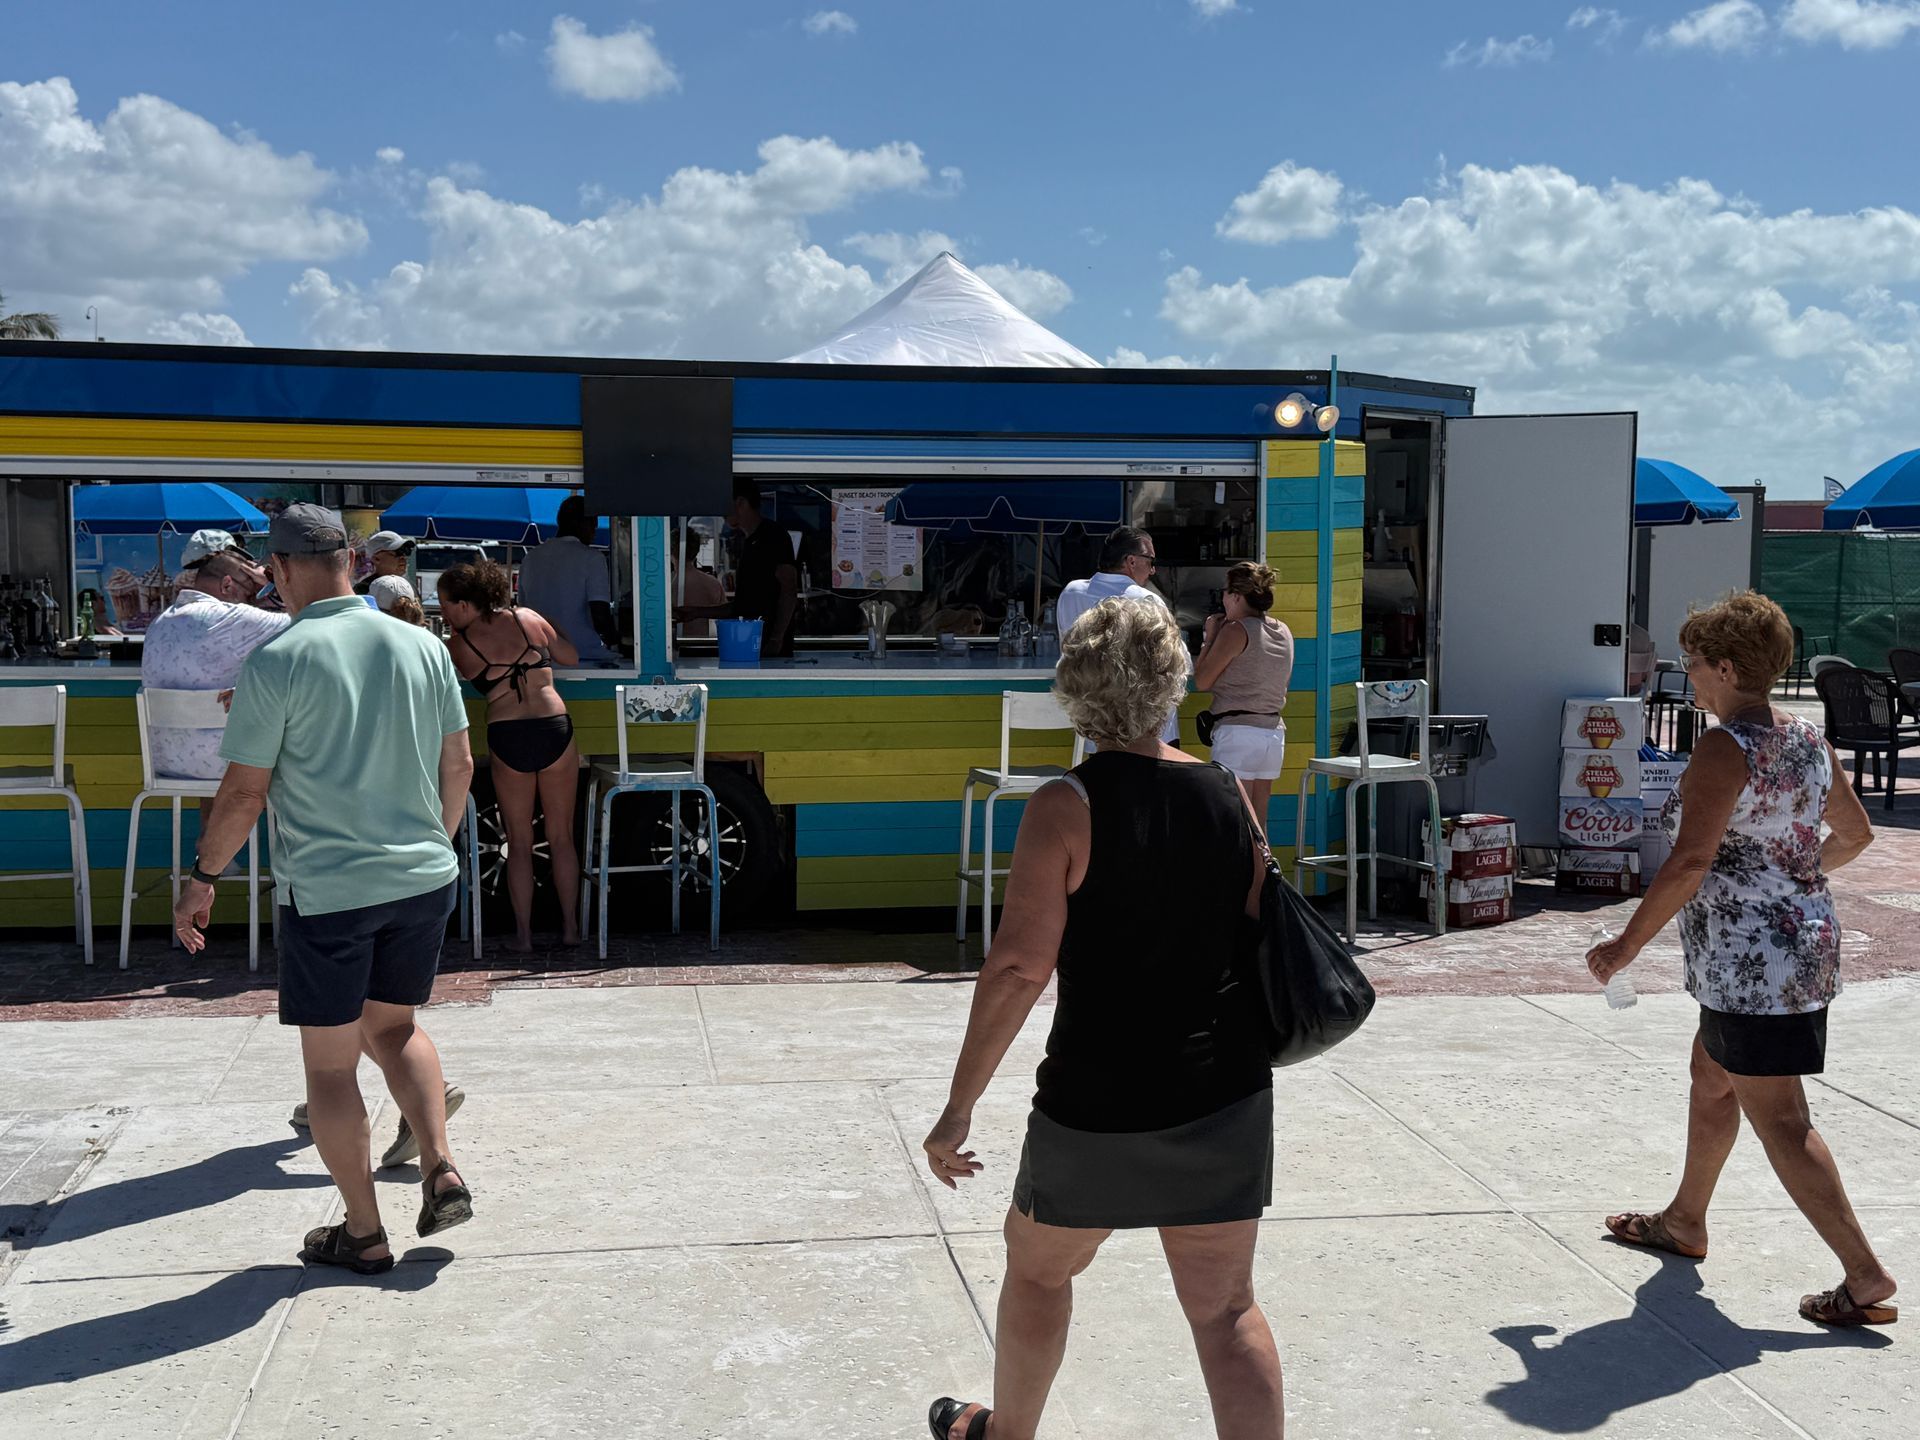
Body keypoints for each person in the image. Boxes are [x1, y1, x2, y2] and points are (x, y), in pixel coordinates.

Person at [923, 597, 1282, 1440]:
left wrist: (958, 1108)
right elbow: (1254, 932)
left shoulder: (1064, 806)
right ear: (1171, 680)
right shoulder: (1229, 794)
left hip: (1098, 1100)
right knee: (1226, 1310)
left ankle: (1006, 1435)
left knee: (1041, 1272)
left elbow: (1017, 969)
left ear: (1075, 687)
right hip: (1223, 1093)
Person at [174, 503, 474, 1276]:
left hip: (330, 892)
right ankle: (441, 1163)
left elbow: (243, 795)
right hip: (422, 876)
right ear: (351, 559)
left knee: (332, 1069)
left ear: (276, 572)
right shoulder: (420, 644)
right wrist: (431, 846)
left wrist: (202, 880)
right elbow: (460, 767)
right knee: (397, 1029)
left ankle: (364, 1234)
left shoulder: (277, 661)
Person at [1587, 591, 1897, 1329]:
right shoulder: (1807, 742)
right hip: (1795, 952)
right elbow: (1854, 837)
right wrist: (1790, 882)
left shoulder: (1726, 748)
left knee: (1782, 1118)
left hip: (1751, 967)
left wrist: (1623, 948)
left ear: (1726, 668)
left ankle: (1864, 1275)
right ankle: (1686, 1218)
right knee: (1710, 1073)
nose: (1687, 676)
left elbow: (1691, 860)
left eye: (1693, 664)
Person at [438, 560, 583, 952]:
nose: (444, 612)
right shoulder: (528, 619)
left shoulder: (459, 646)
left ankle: (523, 936)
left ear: (466, 605)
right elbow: (571, 656)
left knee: (518, 841)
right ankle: (570, 928)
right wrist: (549, 626)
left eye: (447, 604)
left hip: (508, 733)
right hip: (554, 726)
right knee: (561, 836)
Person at [140, 549, 289, 781]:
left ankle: (213, 819)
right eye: (252, 595)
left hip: (166, 762)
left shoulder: (160, 621)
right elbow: (310, 622)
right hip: (225, 764)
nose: (256, 602)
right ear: (227, 585)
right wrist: (275, 585)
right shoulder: (233, 618)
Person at [1054, 525, 1183, 747]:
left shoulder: (1071, 593)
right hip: (1145, 729)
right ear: (1131, 561)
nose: (1152, 570)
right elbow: (1177, 663)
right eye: (1150, 561)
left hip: (1095, 727)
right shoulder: (1147, 601)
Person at [1193, 562, 1294, 837]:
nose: (1223, 598)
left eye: (1225, 592)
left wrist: (1209, 638)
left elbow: (1202, 680)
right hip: (1272, 733)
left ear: (1237, 596)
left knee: (1234, 822)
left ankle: (1237, 879)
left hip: (1238, 733)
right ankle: (1263, 878)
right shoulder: (1283, 630)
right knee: (1259, 826)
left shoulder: (1235, 630)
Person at [675, 482, 799, 658]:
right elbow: (742, 607)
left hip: (768, 649)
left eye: (724, 506)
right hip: (746, 645)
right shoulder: (747, 542)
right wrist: (696, 612)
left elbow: (789, 589)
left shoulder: (773, 536)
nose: (721, 513)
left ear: (740, 502)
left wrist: (776, 639)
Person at [517, 497, 618, 665]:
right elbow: (600, 615)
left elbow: (524, 610)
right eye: (593, 525)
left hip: (540, 657)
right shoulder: (592, 558)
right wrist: (618, 640)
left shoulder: (530, 558)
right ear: (581, 523)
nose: (594, 532)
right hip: (583, 655)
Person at [673, 527, 728, 640]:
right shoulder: (713, 583)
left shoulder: (665, 584)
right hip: (706, 647)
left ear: (669, 550)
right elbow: (726, 618)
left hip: (671, 647)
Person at [355, 531, 418, 600]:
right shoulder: (364, 591)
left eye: (406, 552)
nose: (403, 557)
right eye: (397, 552)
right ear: (376, 559)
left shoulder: (410, 586)